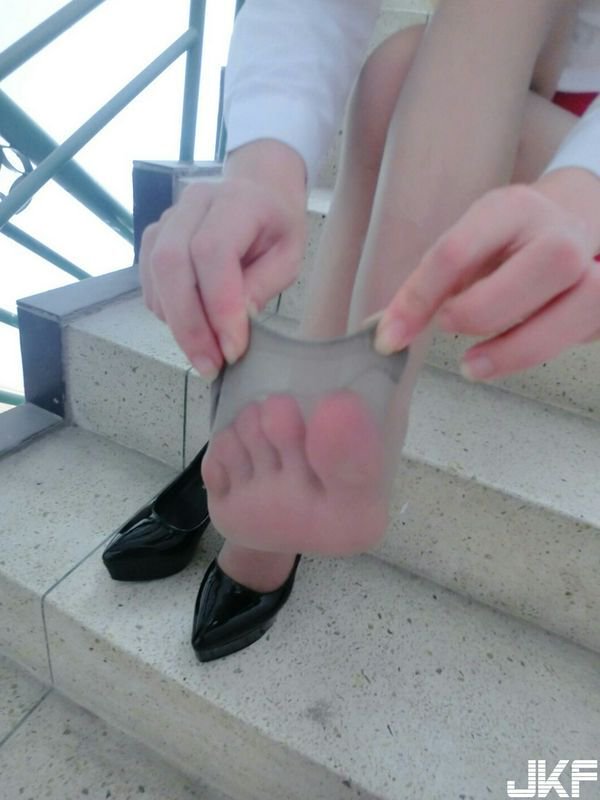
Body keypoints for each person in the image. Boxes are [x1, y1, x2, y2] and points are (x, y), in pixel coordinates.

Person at [133, 0, 600, 660]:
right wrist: (263, 167)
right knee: (394, 67)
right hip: (496, 90)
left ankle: (352, 408)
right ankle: (337, 404)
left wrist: (590, 185)